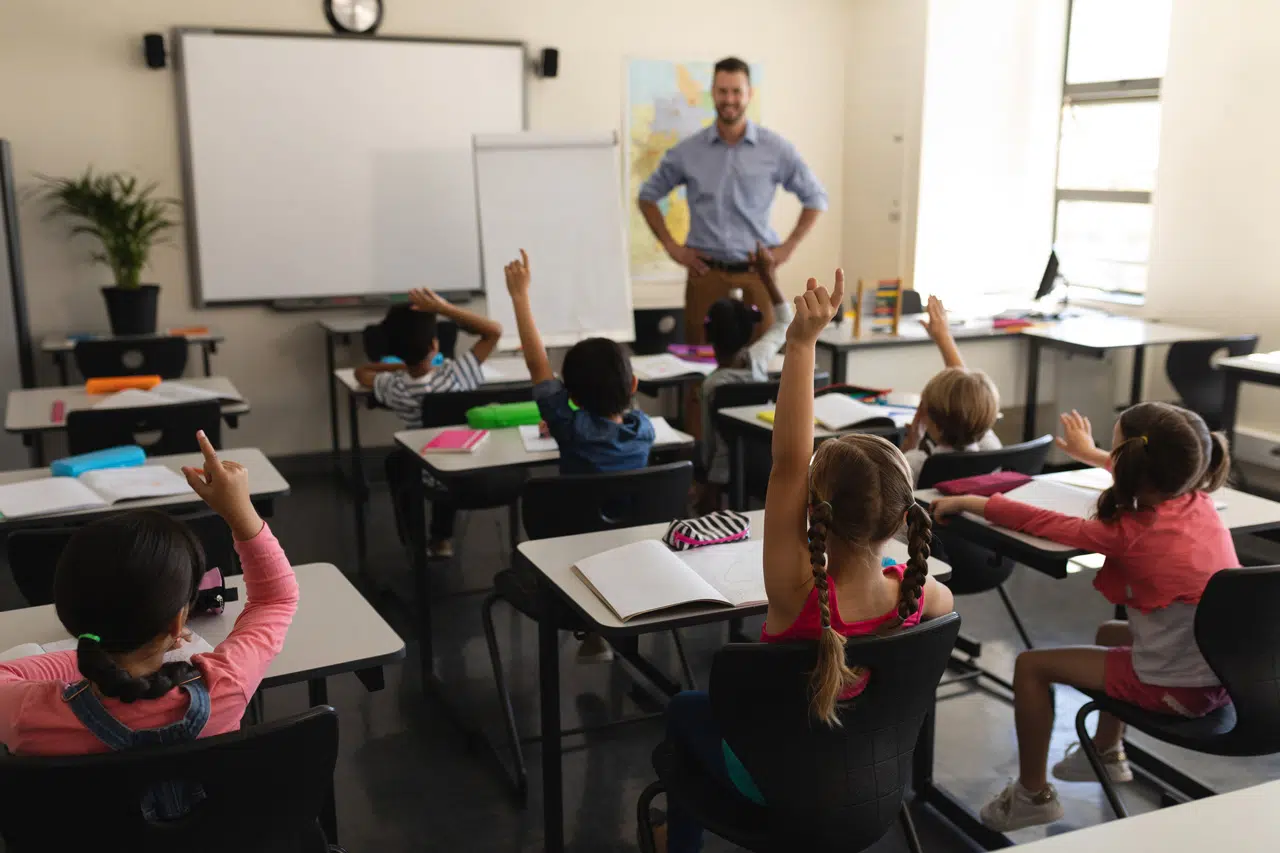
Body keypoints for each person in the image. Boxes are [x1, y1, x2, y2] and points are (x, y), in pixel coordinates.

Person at [652, 272, 955, 853]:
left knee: (685, 709)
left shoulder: (796, 594)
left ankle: (678, 843)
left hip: (777, 786)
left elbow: (787, 462)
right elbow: (794, 469)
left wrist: (800, 343)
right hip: (871, 783)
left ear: (815, 512)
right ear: (899, 520)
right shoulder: (928, 600)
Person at [931, 402, 1235, 832]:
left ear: (1133, 464)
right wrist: (1091, 454)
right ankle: (1108, 752)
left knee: (1031, 666)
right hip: (1222, 673)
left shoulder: (1129, 533)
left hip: (1177, 689)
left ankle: (1031, 795)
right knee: (1112, 632)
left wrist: (969, 501)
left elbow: (1040, 520)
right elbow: (1144, 469)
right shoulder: (1197, 500)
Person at [0, 432, 296, 817]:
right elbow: (276, 598)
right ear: (177, 622)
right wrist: (240, 511)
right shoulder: (227, 684)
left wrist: (83, 656)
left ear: (68, 617)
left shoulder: (28, 713)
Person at [505, 249, 655, 661]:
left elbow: (538, 364)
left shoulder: (568, 426)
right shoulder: (645, 430)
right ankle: (599, 630)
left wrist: (520, 297)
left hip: (572, 549)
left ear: (568, 396)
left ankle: (589, 628)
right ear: (633, 386)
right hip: (631, 547)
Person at [637, 56, 828, 349]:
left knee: (762, 365)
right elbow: (648, 197)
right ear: (712, 93)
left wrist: (788, 247)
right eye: (723, 91)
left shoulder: (775, 149)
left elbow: (816, 198)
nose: (729, 99)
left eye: (736, 91)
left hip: (758, 275)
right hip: (706, 274)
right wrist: (673, 247)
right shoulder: (688, 152)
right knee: (700, 365)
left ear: (749, 94)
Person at [355, 287, 503, 557]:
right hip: (477, 468)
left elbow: (362, 372)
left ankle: (414, 542)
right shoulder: (457, 375)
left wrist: (400, 366)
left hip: (429, 474)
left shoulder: (396, 387)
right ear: (434, 345)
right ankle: (441, 539)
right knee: (446, 452)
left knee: (403, 462)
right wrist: (444, 308)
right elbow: (493, 331)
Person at [696, 241, 790, 512]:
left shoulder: (712, 386)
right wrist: (767, 277)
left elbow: (711, 449)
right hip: (766, 471)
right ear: (751, 333)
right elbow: (785, 321)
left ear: (706, 336)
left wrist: (706, 486)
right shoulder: (759, 357)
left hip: (725, 483)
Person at [901, 295, 1002, 485]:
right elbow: (968, 397)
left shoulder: (915, 463)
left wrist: (910, 445)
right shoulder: (992, 450)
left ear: (928, 420)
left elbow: (893, 488)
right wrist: (943, 337)